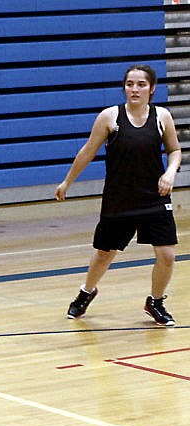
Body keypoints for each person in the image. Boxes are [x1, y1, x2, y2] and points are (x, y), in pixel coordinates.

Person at [55, 64, 182, 326]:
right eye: (130, 84)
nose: (134, 89)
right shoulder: (109, 117)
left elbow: (175, 150)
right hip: (119, 198)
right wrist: (67, 182)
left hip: (154, 196)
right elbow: (88, 151)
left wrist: (170, 173)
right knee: (105, 253)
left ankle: (155, 302)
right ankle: (87, 291)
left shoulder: (162, 117)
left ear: (152, 89)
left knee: (167, 255)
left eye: (141, 84)